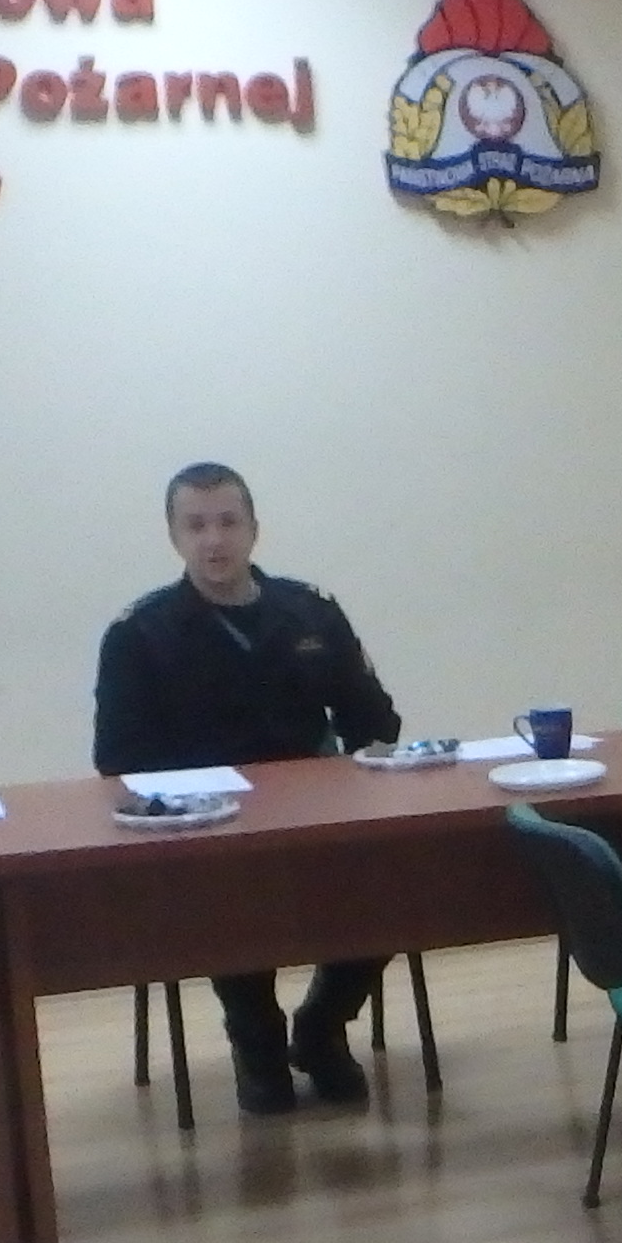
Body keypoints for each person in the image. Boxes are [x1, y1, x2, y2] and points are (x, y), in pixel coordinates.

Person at [92, 462, 401, 1115]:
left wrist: (353, 779)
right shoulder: (139, 634)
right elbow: (117, 759)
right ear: (174, 536)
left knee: (394, 885)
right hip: (208, 832)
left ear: (254, 529)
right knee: (233, 898)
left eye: (228, 522)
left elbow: (374, 723)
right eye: (196, 525)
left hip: (314, 818)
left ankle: (321, 1028)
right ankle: (256, 1043)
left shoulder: (310, 610)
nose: (214, 540)